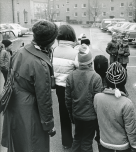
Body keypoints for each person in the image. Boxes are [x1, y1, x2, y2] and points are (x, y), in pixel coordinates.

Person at [1, 20, 57, 152]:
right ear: (50, 41)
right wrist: (49, 125)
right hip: (29, 111)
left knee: (17, 144)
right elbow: (44, 99)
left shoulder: (20, 51)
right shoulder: (40, 64)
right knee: (32, 145)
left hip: (14, 105)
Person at [94, 62, 136, 152]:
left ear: (107, 79)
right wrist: (134, 146)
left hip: (104, 144)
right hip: (122, 146)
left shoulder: (97, 97)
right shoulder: (126, 103)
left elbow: (98, 119)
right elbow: (131, 128)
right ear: (124, 80)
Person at [65, 44, 102, 152]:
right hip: (90, 117)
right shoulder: (96, 77)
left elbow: (67, 99)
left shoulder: (71, 76)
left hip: (77, 114)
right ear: (91, 62)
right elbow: (97, 101)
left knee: (77, 138)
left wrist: (71, 115)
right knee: (86, 141)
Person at [53, 24, 78, 149]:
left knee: (63, 113)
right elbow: (80, 70)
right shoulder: (75, 53)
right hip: (73, 88)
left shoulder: (53, 51)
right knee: (77, 112)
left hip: (59, 87)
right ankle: (79, 140)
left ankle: (66, 142)